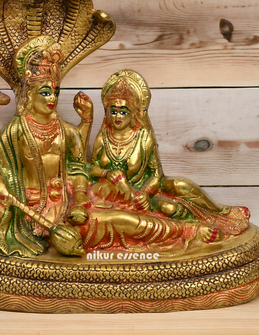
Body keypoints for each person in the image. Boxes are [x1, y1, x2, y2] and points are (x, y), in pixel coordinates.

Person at [0, 37, 93, 257]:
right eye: (45, 92)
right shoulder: (17, 130)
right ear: (30, 94)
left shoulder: (66, 131)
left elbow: (78, 167)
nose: (52, 98)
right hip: (29, 207)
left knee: (96, 225)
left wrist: (80, 197)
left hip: (66, 202)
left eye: (56, 92)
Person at [89, 70, 250, 238]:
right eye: (113, 111)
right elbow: (91, 169)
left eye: (123, 111)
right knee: (168, 208)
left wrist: (145, 192)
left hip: (144, 191)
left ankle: (220, 212)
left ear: (134, 112)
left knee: (180, 185)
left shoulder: (144, 137)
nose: (117, 117)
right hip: (114, 194)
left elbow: (156, 175)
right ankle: (193, 230)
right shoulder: (103, 137)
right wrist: (106, 173)